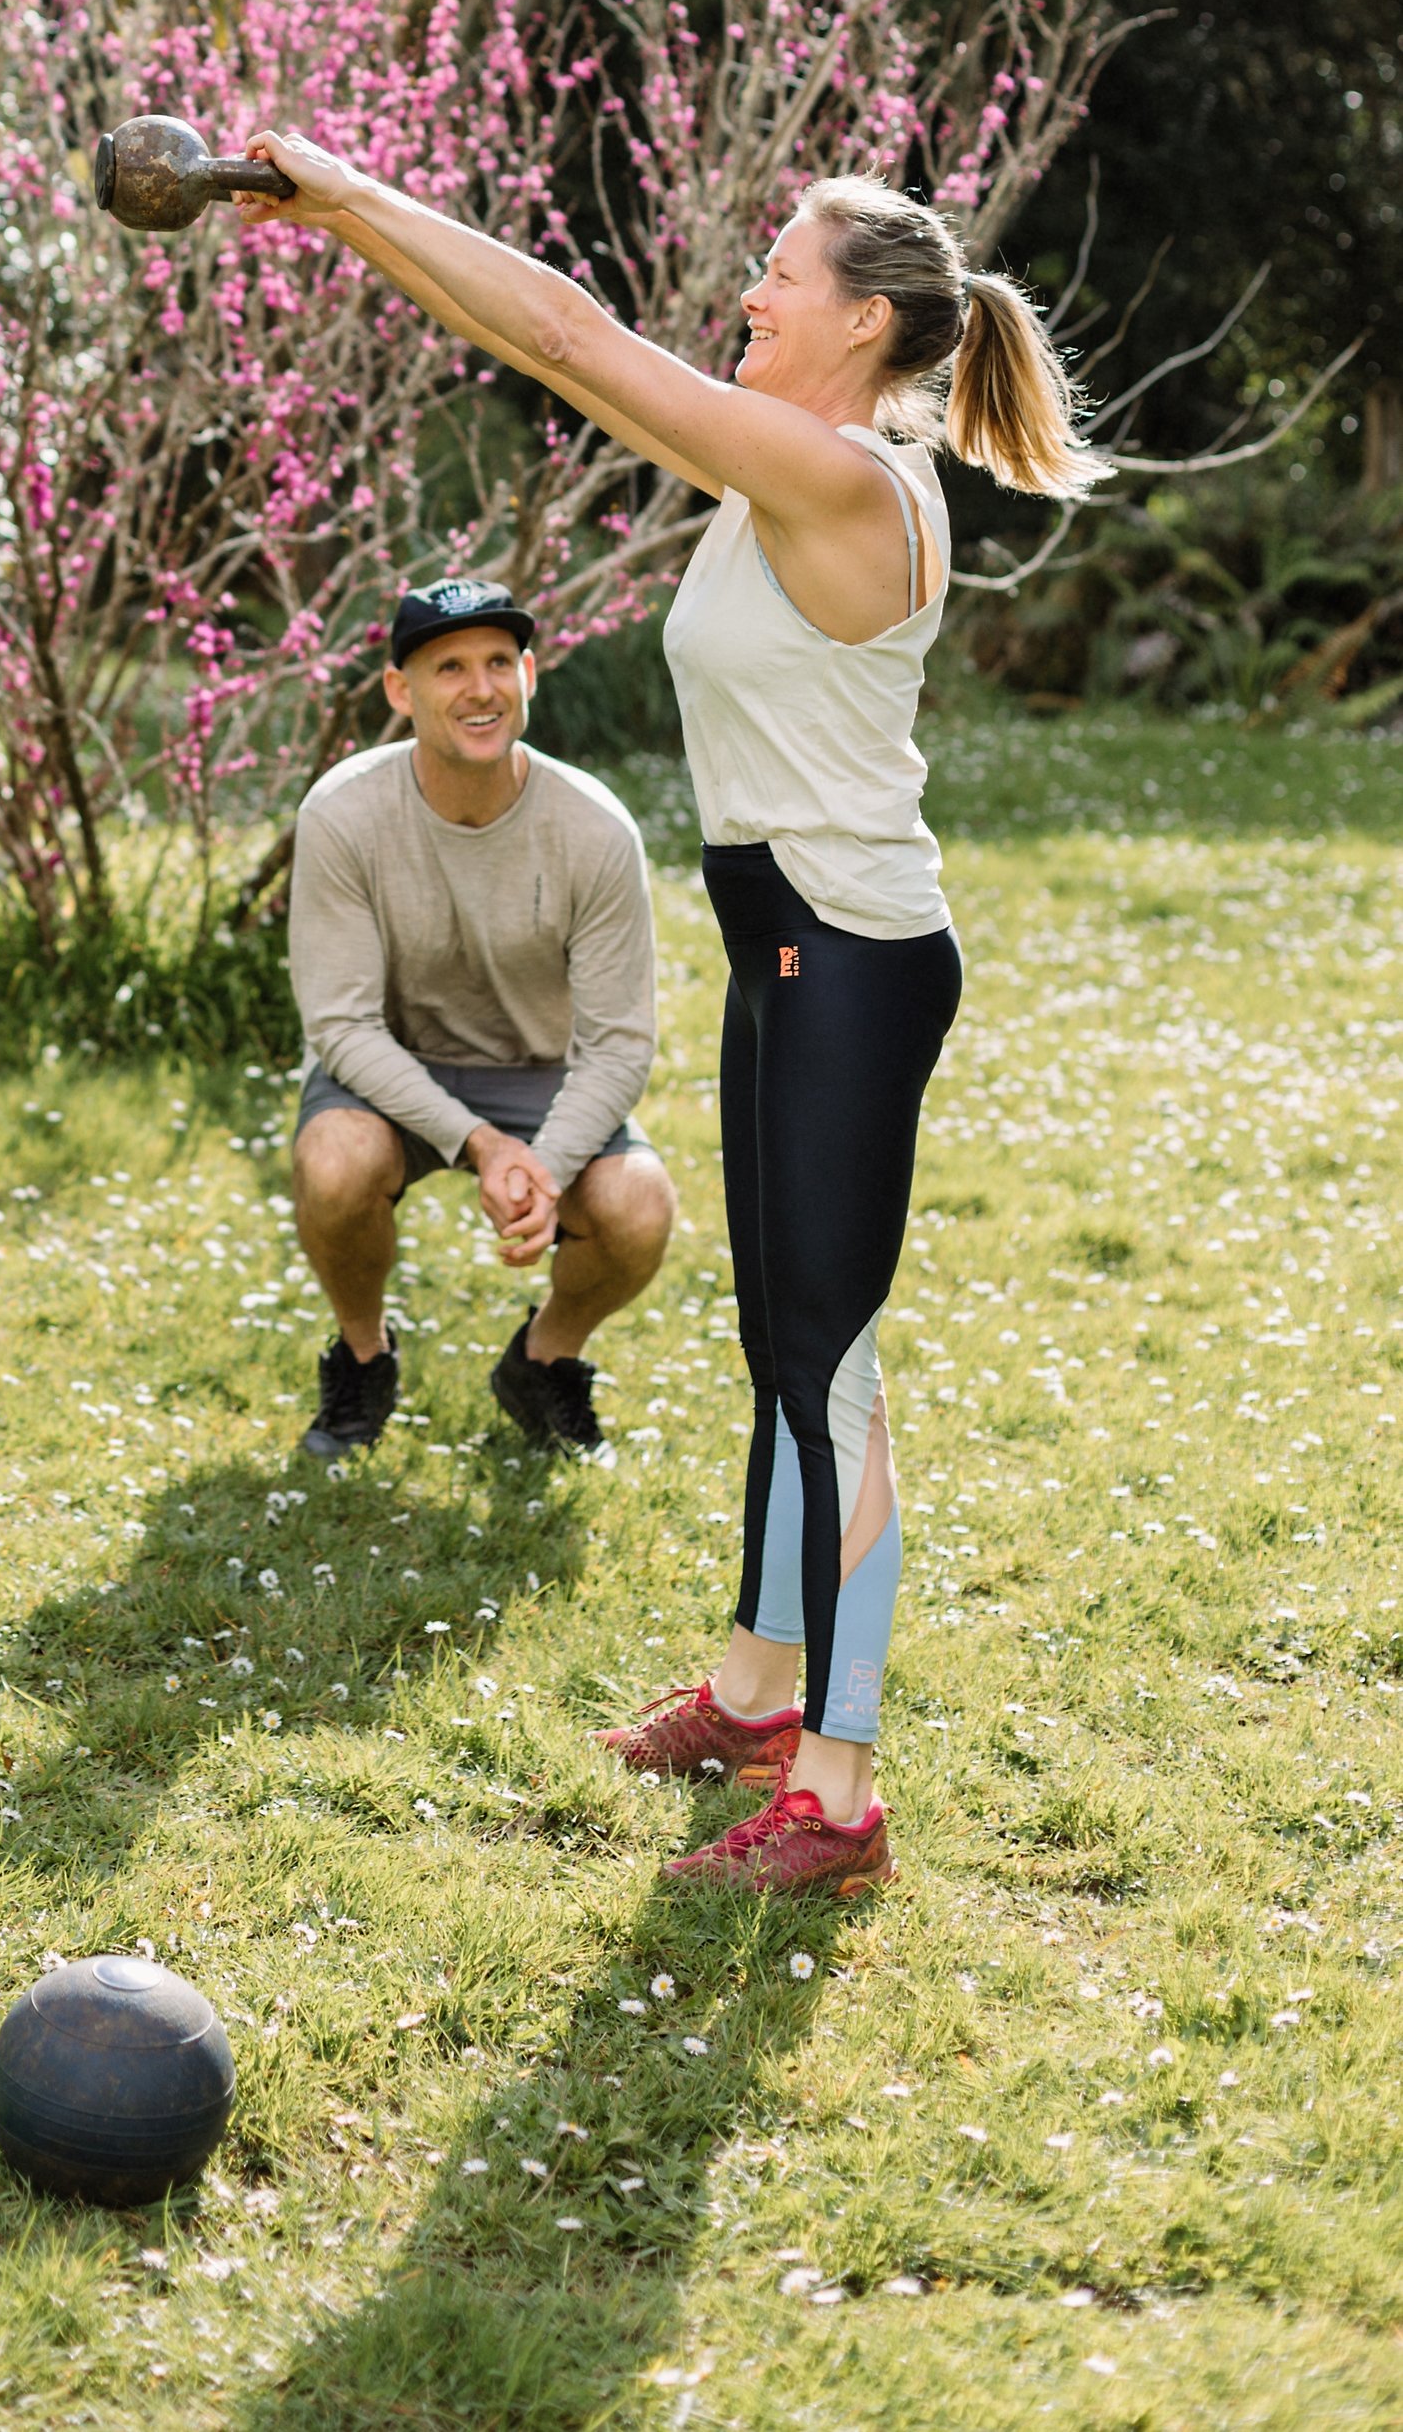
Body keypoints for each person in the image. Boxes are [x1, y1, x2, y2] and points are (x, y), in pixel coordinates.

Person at [238, 151, 1104, 1899]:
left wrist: (339, 188)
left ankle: (840, 1802)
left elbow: (572, 328)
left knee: (826, 1369)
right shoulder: (790, 467)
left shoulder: (837, 472)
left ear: (865, 321)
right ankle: (758, 1694)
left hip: (849, 959)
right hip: (791, 947)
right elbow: (562, 356)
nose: (753, 289)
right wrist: (347, 225)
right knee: (783, 1352)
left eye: (782, 271)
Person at [287, 573, 672, 1467]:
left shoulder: (596, 830)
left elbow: (619, 1044)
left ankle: (545, 1362)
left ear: (529, 675)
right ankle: (362, 1357)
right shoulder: (343, 814)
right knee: (335, 1164)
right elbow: (340, 1027)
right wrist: (480, 1145)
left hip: (542, 1076)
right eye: (450, 667)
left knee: (638, 1206)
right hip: (388, 1067)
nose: (481, 689)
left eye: (500, 662)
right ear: (401, 690)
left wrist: (547, 1159)